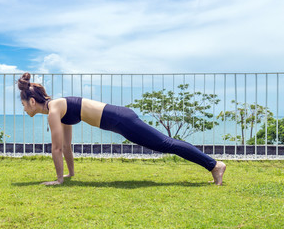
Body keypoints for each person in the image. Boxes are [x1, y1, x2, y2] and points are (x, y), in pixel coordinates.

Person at [18, 72, 226, 186]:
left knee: (165, 144)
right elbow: (65, 146)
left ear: (33, 102)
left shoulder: (55, 109)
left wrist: (58, 180)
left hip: (121, 120)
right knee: (164, 145)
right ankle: (213, 165)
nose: (24, 108)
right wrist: (70, 175)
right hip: (120, 121)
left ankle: (214, 165)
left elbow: (55, 149)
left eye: (24, 104)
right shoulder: (58, 108)